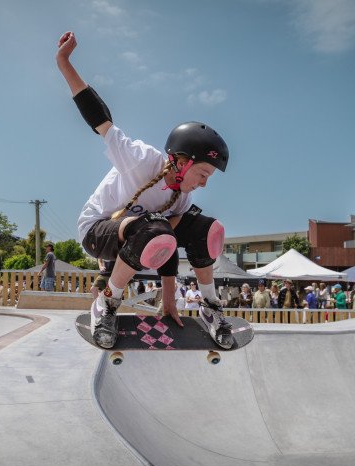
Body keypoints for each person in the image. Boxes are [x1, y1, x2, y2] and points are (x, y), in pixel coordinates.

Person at [58, 31, 232, 349]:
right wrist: (64, 62)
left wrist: (169, 298)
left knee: (207, 230)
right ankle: (106, 304)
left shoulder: (183, 197)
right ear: (181, 162)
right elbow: (100, 119)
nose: (204, 182)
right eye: (203, 173)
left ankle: (211, 306)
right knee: (153, 228)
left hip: (142, 236)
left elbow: (166, 244)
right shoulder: (142, 160)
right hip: (96, 231)